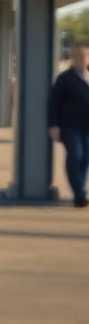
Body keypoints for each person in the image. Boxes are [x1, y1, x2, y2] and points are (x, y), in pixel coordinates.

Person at [49, 43, 89, 208]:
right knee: (75, 156)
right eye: (79, 56)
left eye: (86, 56)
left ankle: (79, 189)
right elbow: (54, 103)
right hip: (70, 126)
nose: (83, 59)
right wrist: (53, 125)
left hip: (87, 127)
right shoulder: (65, 78)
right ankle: (79, 194)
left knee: (85, 159)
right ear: (74, 58)